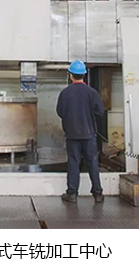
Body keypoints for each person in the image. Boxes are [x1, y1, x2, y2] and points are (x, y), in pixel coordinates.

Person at [56, 60, 105, 203]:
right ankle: (98, 194)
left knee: (73, 163)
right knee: (92, 163)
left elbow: (60, 112)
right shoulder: (92, 93)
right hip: (89, 135)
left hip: (72, 135)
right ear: (84, 74)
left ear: (70, 75)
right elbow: (100, 112)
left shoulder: (65, 93)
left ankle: (72, 194)